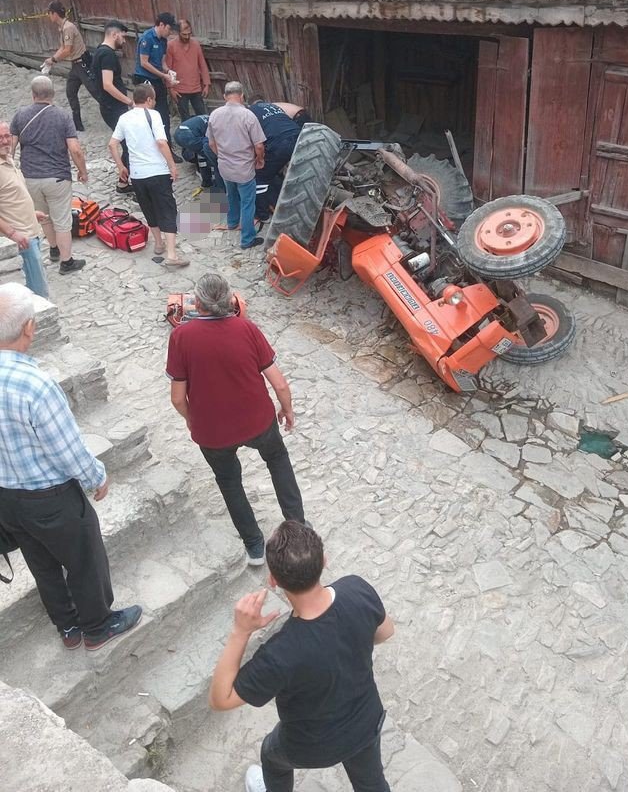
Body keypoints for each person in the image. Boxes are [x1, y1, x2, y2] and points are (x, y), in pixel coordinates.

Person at [0, 282, 142, 650]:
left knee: (40, 561)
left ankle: (67, 627)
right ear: (29, 327)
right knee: (84, 557)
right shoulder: (36, 385)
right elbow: (66, 448)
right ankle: (97, 626)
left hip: (7, 499)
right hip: (50, 497)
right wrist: (97, 475)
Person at [208, 521, 395, 792]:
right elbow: (385, 632)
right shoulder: (357, 589)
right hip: (366, 720)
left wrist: (240, 631)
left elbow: (219, 699)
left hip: (312, 745)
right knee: (371, 782)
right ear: (324, 561)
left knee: (271, 755)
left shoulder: (279, 654)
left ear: (273, 580)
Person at [166, 273, 305, 564]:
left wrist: (193, 420)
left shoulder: (181, 337)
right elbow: (278, 383)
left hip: (213, 433)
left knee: (229, 481)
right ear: (230, 300)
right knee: (277, 459)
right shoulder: (247, 328)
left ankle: (254, 546)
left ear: (198, 304)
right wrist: (287, 409)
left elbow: (178, 398)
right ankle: (298, 528)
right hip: (258, 420)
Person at [10, 76, 87, 276]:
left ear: (33, 94)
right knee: (62, 220)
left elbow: (10, 146)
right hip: (57, 177)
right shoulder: (62, 116)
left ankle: (53, 248)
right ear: (52, 94)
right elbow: (75, 149)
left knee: (43, 217)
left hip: (30, 177)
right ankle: (66, 261)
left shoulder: (20, 115)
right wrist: (82, 170)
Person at [109, 83, 189, 268]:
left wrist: (121, 166)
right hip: (157, 171)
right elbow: (161, 143)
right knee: (167, 209)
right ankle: (171, 254)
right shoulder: (153, 115)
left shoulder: (124, 118)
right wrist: (172, 166)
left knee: (148, 208)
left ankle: (158, 244)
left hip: (137, 174)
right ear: (149, 99)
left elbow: (112, 144)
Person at [207, 82, 265, 249]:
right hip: (244, 169)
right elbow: (259, 145)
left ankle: (232, 223)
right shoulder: (248, 116)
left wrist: (222, 156)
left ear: (225, 96)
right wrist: (260, 159)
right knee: (247, 203)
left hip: (225, 167)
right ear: (242, 96)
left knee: (231, 196)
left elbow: (211, 143)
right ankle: (247, 240)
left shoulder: (214, 115)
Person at [0, 121, 49, 298]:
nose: (5, 141)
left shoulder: (8, 159)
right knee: (36, 295)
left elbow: (12, 196)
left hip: (30, 232)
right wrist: (13, 234)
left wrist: (32, 213)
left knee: (39, 286)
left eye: (7, 136)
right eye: (0, 137)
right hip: (21, 239)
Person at [248, 101, 311, 222]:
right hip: (299, 138)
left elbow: (257, 144)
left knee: (260, 177)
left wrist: (259, 160)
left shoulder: (249, 113)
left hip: (280, 143)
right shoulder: (273, 107)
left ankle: (263, 215)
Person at [91, 19, 134, 194]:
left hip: (111, 107)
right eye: (123, 36)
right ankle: (126, 182)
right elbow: (108, 84)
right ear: (114, 34)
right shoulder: (107, 55)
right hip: (114, 108)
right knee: (130, 146)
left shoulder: (100, 52)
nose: (124, 41)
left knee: (128, 145)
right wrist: (129, 101)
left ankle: (123, 183)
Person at [44, 1, 99, 132]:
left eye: (50, 13)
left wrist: (54, 59)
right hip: (75, 65)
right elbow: (62, 48)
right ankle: (77, 123)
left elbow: (67, 50)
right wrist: (51, 60)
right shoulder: (63, 28)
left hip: (81, 63)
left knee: (96, 92)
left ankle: (114, 112)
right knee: (71, 92)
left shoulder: (68, 28)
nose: (49, 16)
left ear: (55, 14)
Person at [134, 12, 181, 162]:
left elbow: (162, 62)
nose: (170, 32)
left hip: (158, 79)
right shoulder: (147, 38)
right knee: (146, 115)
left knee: (163, 115)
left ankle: (167, 148)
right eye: (169, 28)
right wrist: (163, 75)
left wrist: (168, 71)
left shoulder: (163, 41)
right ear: (161, 25)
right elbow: (144, 63)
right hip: (146, 80)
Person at [166, 19, 211, 120]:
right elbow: (169, 68)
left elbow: (202, 65)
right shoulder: (171, 45)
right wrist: (171, 88)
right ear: (178, 32)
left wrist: (206, 84)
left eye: (189, 34)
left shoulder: (195, 44)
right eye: (184, 34)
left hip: (196, 88)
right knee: (185, 118)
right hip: (180, 89)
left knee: (202, 116)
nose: (187, 37)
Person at [174, 114, 223, 189]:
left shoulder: (208, 118)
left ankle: (206, 182)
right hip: (189, 134)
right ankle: (217, 186)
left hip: (178, 133)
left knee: (203, 154)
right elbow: (211, 142)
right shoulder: (215, 123)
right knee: (212, 157)